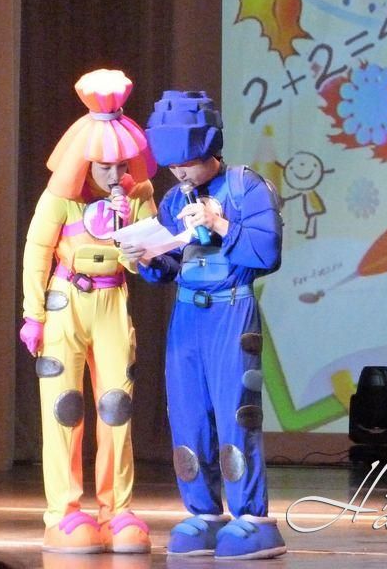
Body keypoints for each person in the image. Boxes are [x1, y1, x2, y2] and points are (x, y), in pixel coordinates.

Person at [121, 90, 286, 559]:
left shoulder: (246, 187)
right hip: (187, 315)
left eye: (188, 164)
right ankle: (203, 512)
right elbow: (171, 266)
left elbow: (267, 253)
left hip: (232, 311)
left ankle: (252, 516)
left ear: (209, 148)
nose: (180, 174)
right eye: (173, 166)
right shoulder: (174, 198)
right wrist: (146, 256)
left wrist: (219, 224)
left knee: (237, 413)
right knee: (188, 415)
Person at [19, 69, 157, 554]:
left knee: (117, 406)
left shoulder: (138, 197)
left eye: (121, 164)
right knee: (64, 408)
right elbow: (37, 252)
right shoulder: (60, 199)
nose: (114, 174)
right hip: (67, 303)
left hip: (113, 302)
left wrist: (132, 238)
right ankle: (63, 511)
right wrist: (33, 314)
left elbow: (145, 262)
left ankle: (117, 510)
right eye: (103, 166)